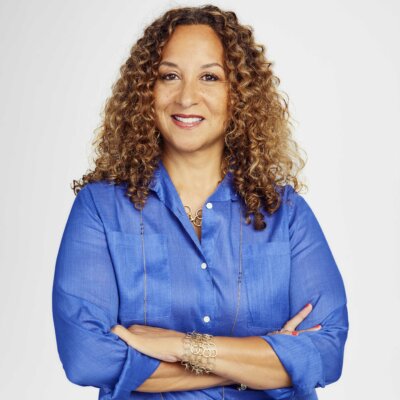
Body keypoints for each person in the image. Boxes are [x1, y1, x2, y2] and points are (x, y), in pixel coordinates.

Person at [52, 4, 349, 400]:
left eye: (210, 77)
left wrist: (181, 346)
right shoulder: (100, 209)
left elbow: (326, 354)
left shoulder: (288, 214)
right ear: (145, 92)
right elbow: (87, 357)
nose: (187, 96)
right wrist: (263, 361)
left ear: (238, 94)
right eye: (169, 76)